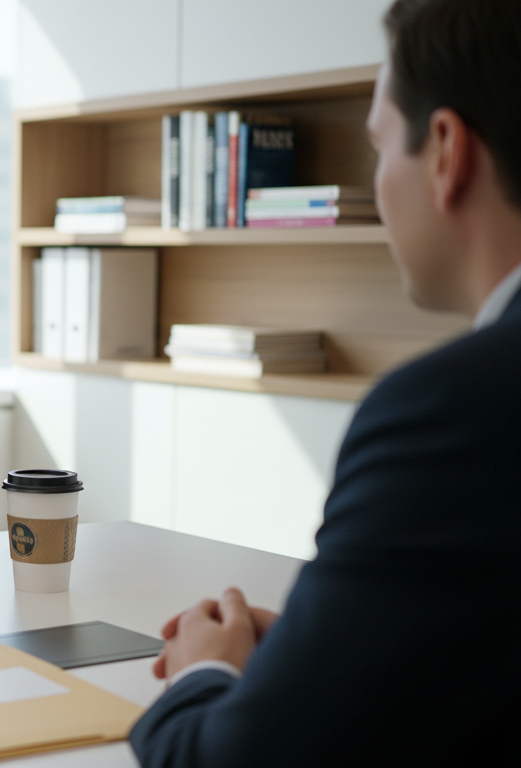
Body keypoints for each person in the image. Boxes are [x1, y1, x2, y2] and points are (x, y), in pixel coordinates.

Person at [129, 1, 521, 764]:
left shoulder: (451, 411)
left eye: (377, 147)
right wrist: (343, 649)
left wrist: (201, 672)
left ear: (445, 151)